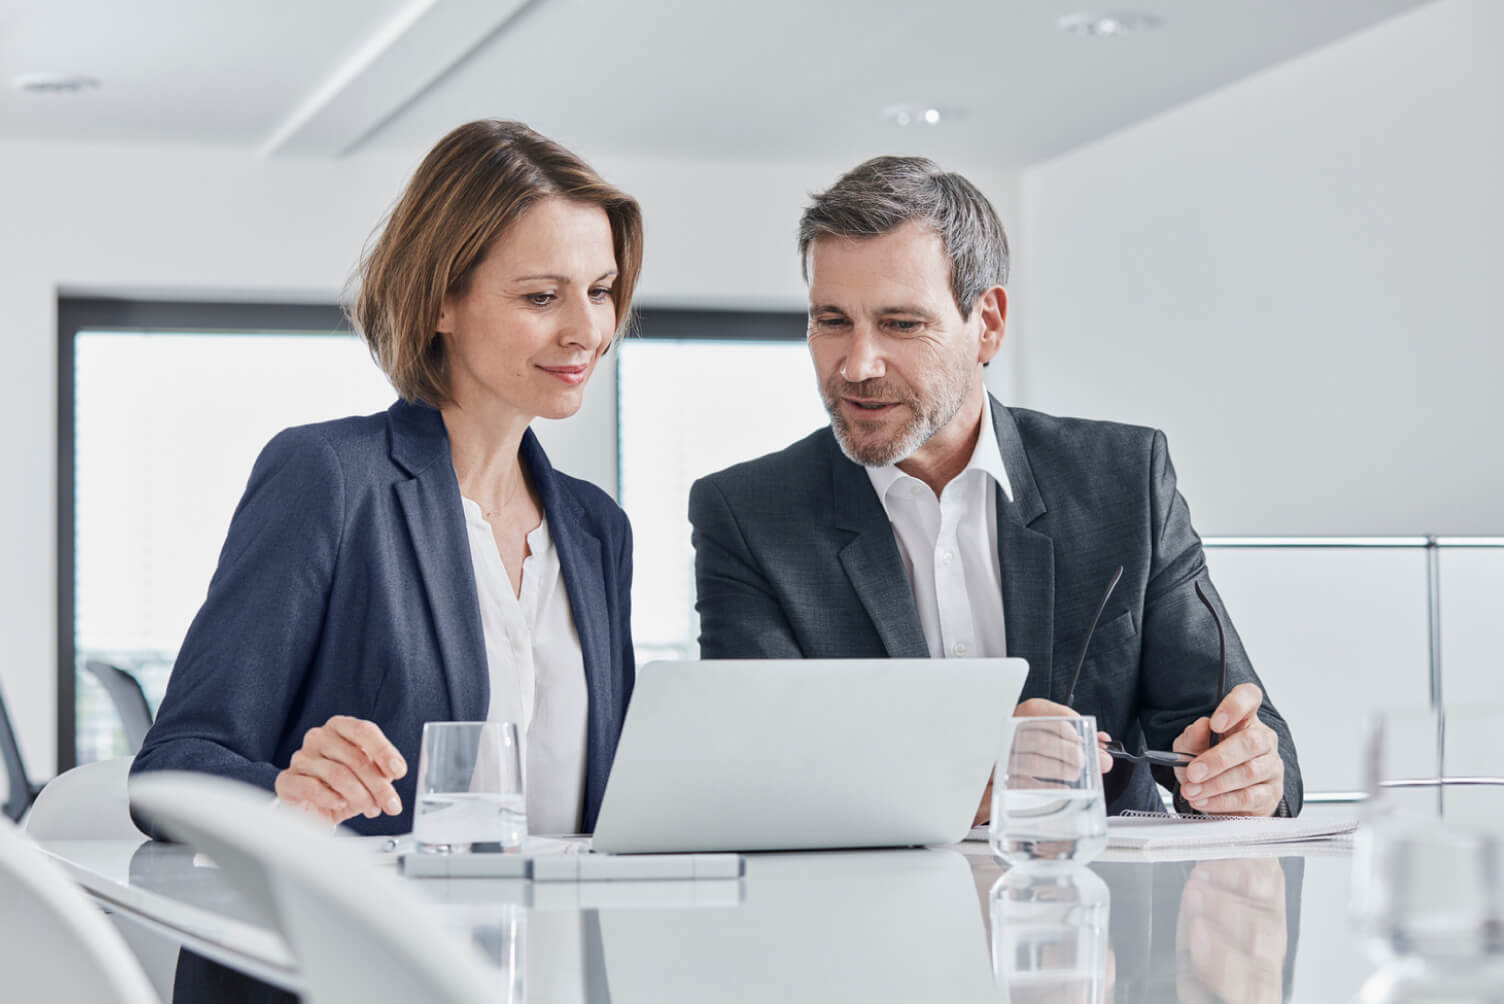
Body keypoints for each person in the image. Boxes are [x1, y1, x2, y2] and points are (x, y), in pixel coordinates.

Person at [130, 120, 641, 1002]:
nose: (586, 329)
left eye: (599, 290)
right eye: (541, 297)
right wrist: (289, 791)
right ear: (442, 299)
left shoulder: (597, 530)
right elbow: (174, 765)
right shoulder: (328, 477)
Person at [689, 156, 1301, 820]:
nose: (857, 365)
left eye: (900, 324)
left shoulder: (1124, 479)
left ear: (988, 323)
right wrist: (961, 783)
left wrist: (1247, 773)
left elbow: (1243, 735)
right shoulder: (747, 515)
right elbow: (753, 775)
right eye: (831, 321)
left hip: (1107, 912)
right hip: (867, 917)